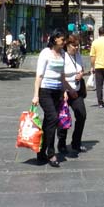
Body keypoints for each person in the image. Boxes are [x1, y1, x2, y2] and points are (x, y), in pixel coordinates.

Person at [32, 31, 72, 167]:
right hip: (45, 91)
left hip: (57, 91)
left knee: (49, 122)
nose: (64, 42)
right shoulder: (45, 53)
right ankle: (51, 152)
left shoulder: (63, 54)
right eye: (62, 39)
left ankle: (41, 151)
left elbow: (62, 75)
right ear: (55, 39)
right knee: (53, 118)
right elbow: (39, 75)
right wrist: (36, 95)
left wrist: (65, 90)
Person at [58, 34, 87, 155]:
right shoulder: (62, 56)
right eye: (74, 45)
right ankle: (62, 143)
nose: (76, 48)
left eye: (78, 45)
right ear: (67, 45)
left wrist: (81, 74)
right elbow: (60, 75)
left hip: (77, 90)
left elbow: (81, 68)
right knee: (64, 117)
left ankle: (76, 142)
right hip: (64, 91)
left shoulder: (78, 55)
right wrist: (66, 90)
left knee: (82, 115)